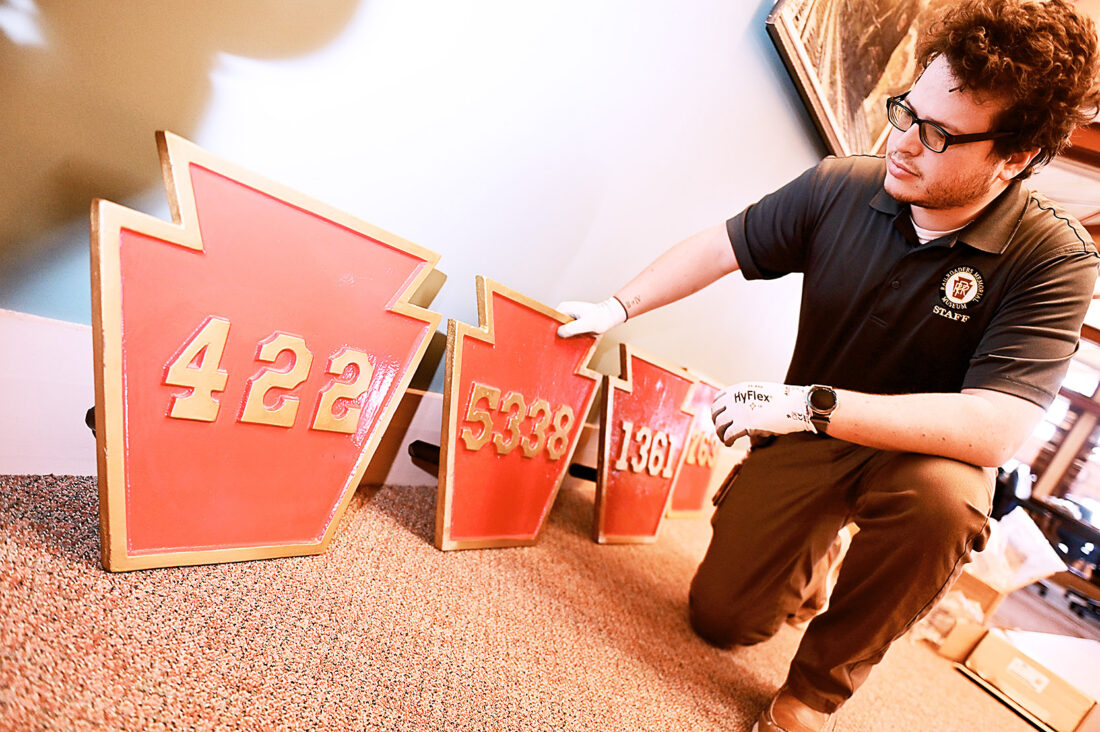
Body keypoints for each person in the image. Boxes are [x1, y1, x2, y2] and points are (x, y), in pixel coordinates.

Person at [555, 2, 1100, 730]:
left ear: (1015, 157)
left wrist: (806, 402)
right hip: (808, 440)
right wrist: (616, 306)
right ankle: (810, 558)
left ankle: (811, 696)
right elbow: (719, 247)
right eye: (907, 112)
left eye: (938, 135)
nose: (903, 142)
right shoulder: (839, 186)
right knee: (722, 622)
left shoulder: (1056, 258)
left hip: (918, 459)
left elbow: (996, 428)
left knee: (946, 503)